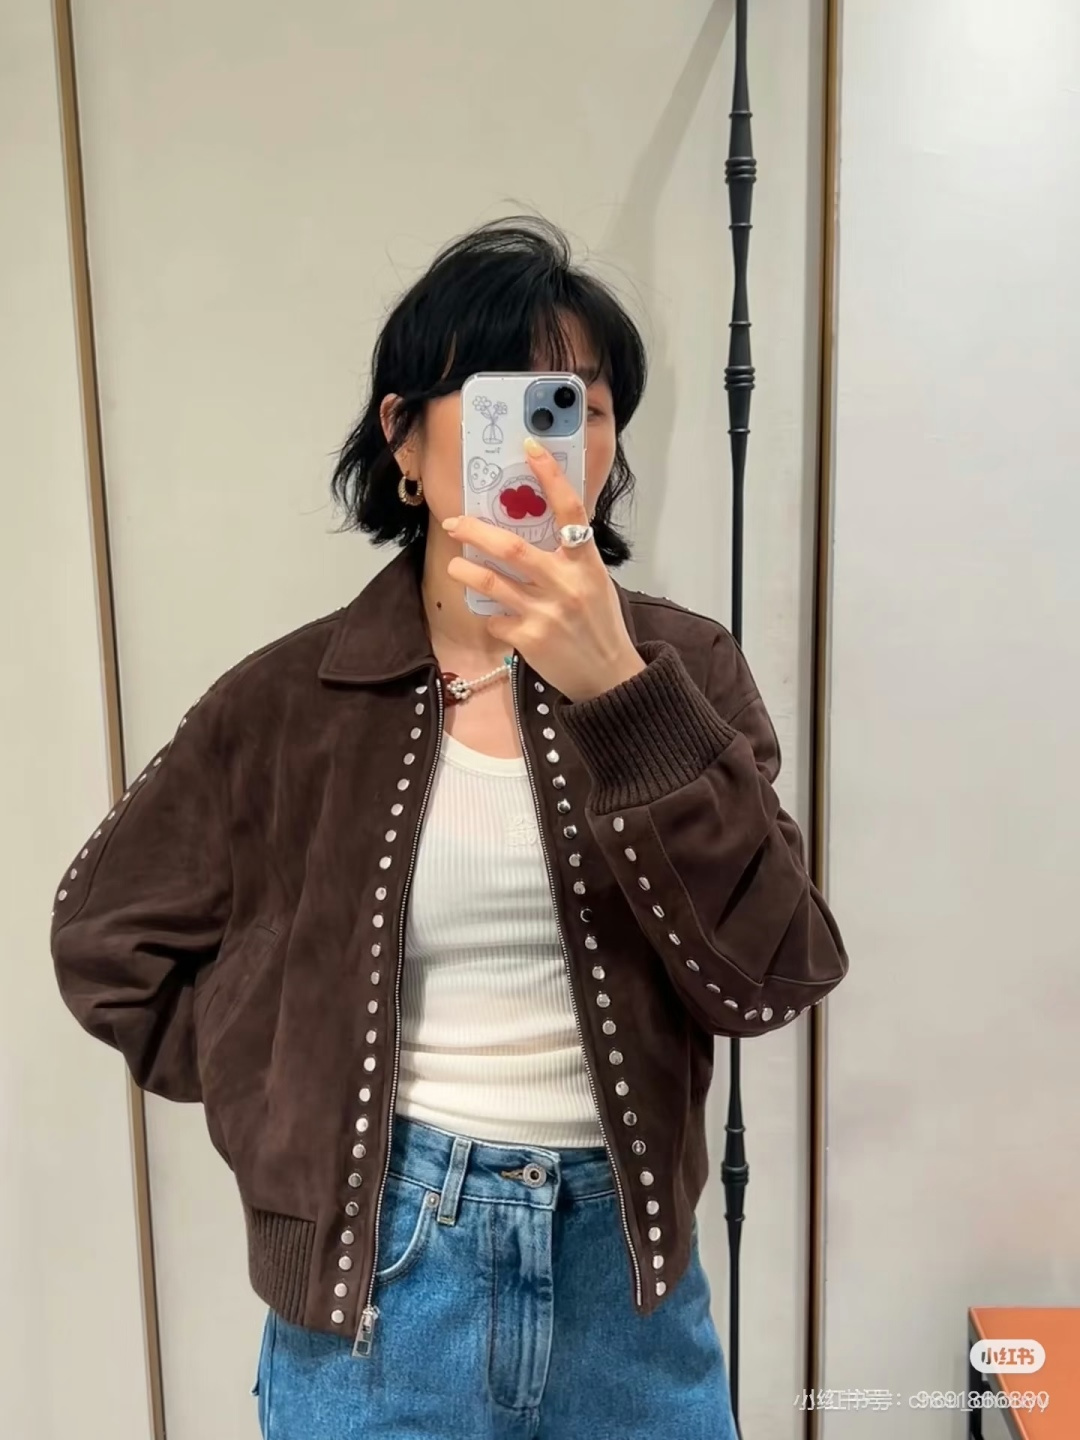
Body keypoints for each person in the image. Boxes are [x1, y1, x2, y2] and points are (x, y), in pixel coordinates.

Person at [51, 218, 848, 1440]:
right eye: (499, 403)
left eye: (579, 407)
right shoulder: (288, 701)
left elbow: (774, 972)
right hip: (380, 1295)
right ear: (405, 440)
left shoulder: (686, 670)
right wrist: (283, 1086)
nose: (544, 440)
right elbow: (107, 941)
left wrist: (620, 692)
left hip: (627, 1291)